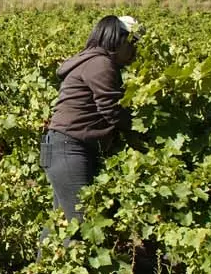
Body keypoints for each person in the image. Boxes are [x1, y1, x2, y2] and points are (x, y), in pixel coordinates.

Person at [40, 15, 140, 220]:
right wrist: (142, 131)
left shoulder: (91, 60)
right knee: (80, 223)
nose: (135, 52)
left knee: (61, 223)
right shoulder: (101, 64)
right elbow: (111, 109)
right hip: (70, 148)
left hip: (61, 146)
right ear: (118, 39)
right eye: (133, 44)